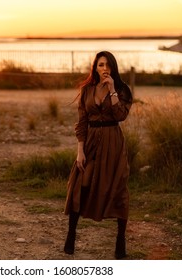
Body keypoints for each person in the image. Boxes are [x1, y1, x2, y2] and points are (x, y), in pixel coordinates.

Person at [63, 51, 133, 259]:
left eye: (108, 65)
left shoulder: (121, 89)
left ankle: (120, 241)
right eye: (100, 65)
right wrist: (80, 150)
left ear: (113, 68)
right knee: (81, 184)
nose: (104, 68)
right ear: (95, 67)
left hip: (113, 142)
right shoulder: (87, 90)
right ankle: (71, 234)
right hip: (91, 142)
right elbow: (82, 122)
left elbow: (121, 115)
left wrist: (112, 90)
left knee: (118, 187)